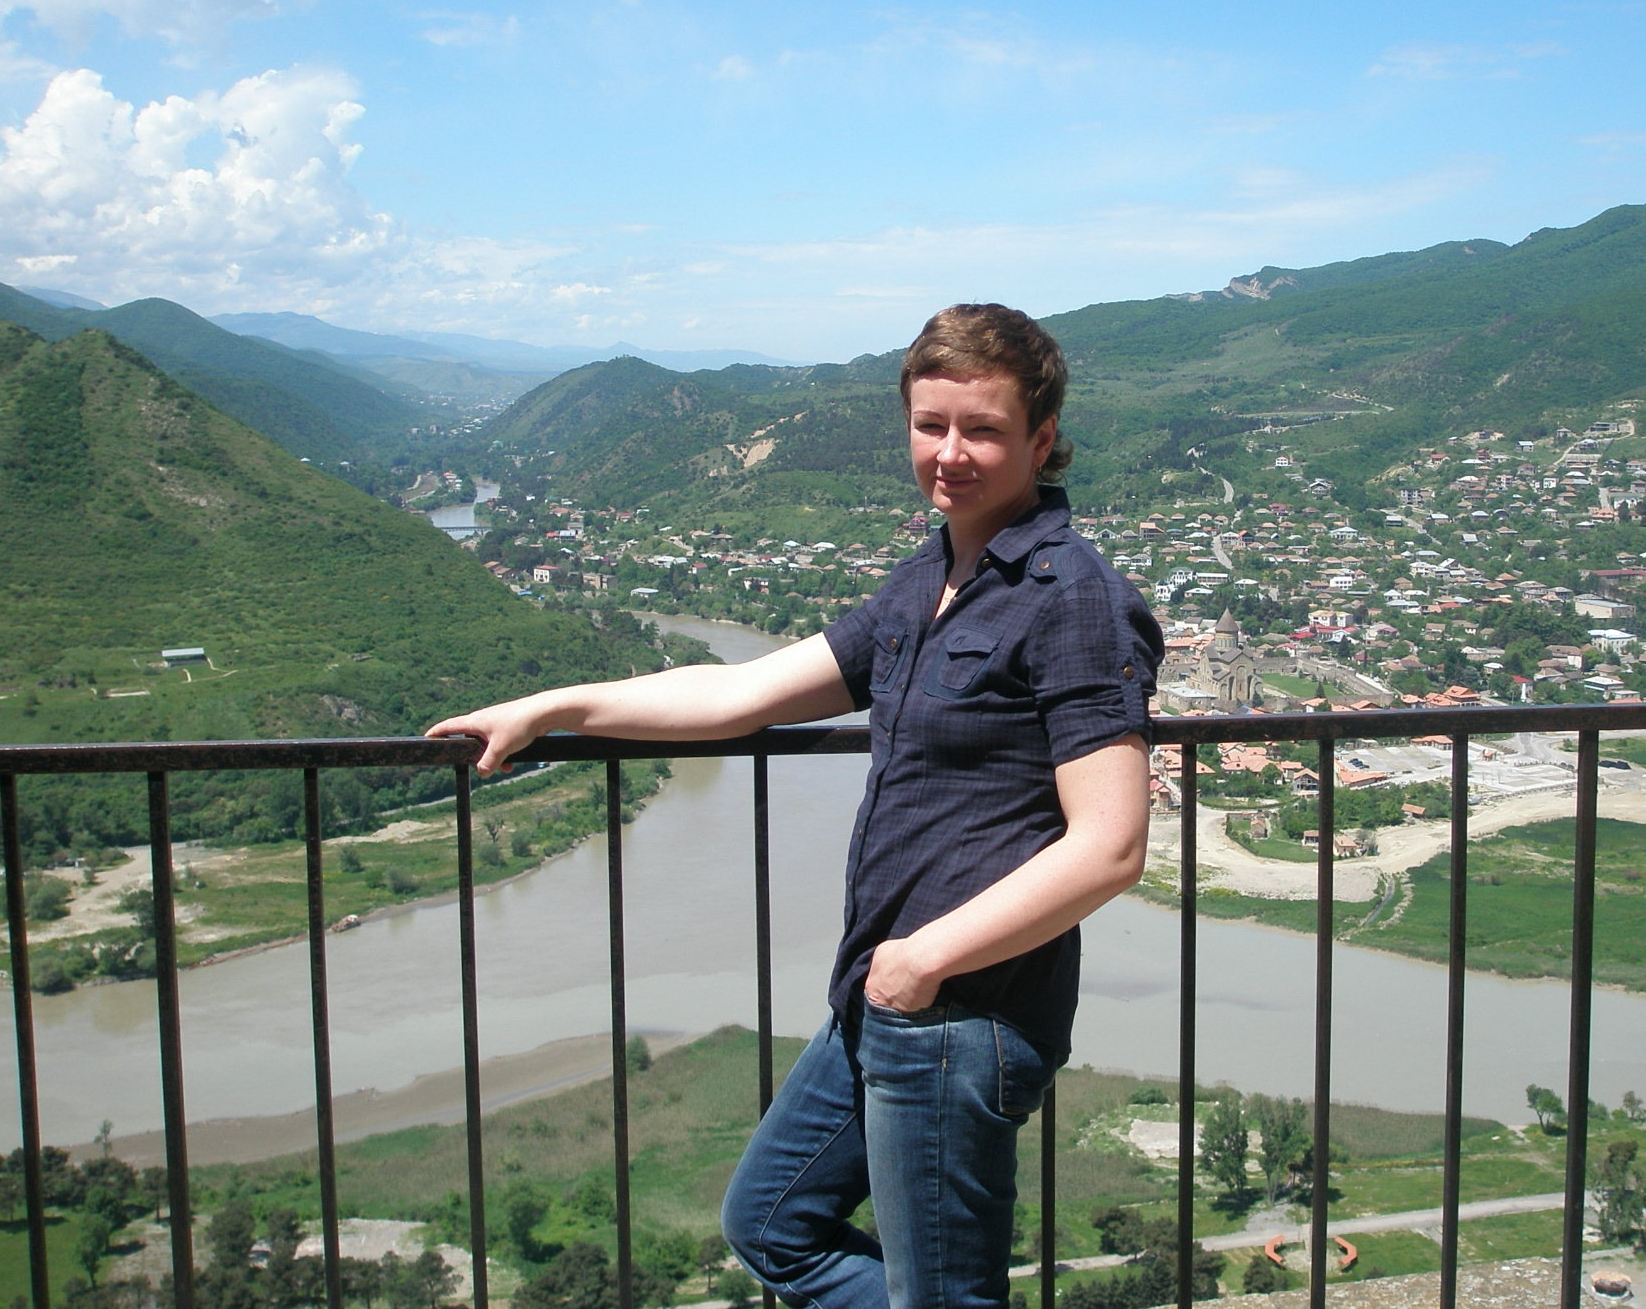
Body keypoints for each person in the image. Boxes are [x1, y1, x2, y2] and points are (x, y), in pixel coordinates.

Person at [427, 303, 1164, 1309]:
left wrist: (918, 964)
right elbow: (740, 693)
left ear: (1041, 440)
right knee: (772, 1225)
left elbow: (1110, 846)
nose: (950, 453)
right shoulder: (928, 581)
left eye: (983, 429)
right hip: (883, 999)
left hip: (959, 1013)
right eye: (930, 425)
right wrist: (554, 708)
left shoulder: (1069, 595)